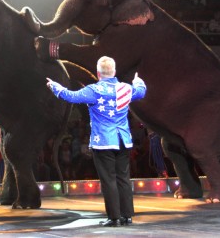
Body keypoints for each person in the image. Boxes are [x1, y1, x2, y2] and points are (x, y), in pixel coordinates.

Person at [46, 56, 147, 227]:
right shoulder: (125, 88)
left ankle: (114, 217)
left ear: (98, 74)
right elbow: (141, 91)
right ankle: (127, 216)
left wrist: (54, 86)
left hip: (104, 141)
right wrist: (138, 81)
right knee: (123, 177)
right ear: (114, 72)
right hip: (123, 140)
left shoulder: (94, 90)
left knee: (109, 179)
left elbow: (70, 96)